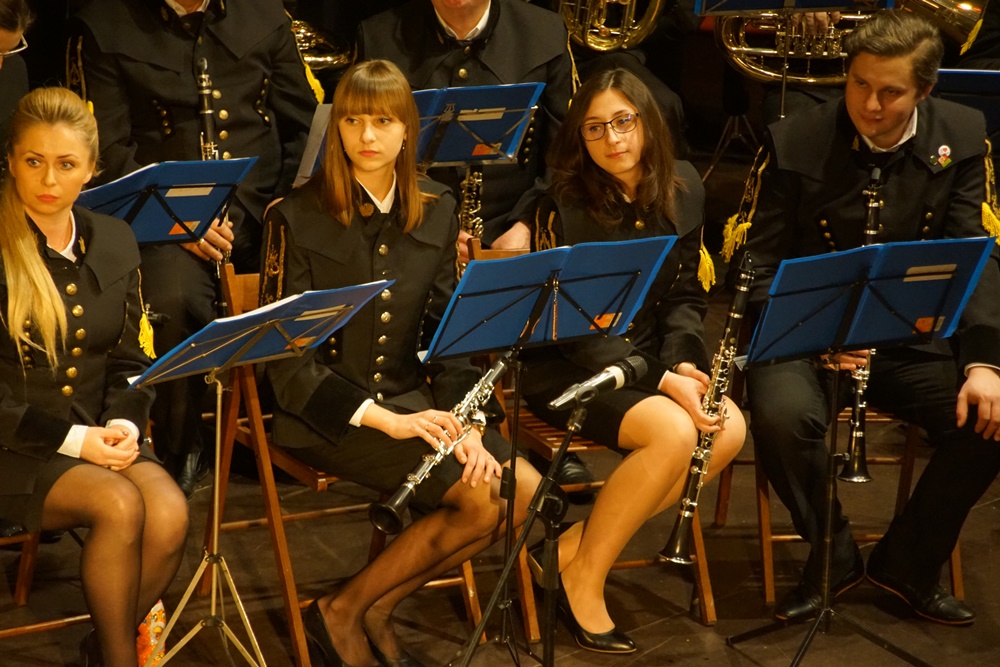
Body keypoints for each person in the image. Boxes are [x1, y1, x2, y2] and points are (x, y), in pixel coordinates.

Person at [260, 59, 542, 667]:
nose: (367, 136)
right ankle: (343, 610)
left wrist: (469, 423)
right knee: (480, 501)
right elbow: (286, 368)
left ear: (408, 129)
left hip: (420, 404)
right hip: (327, 414)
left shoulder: (436, 207)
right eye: (353, 121)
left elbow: (449, 335)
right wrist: (388, 421)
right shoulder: (294, 216)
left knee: (522, 493)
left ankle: (368, 606)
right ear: (335, 128)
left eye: (383, 121)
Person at [723, 9, 1000, 625]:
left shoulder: (960, 134)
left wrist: (984, 362)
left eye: (890, 92)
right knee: (781, 415)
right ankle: (833, 555)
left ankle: (908, 563)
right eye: (859, 84)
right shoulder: (795, 138)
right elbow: (755, 265)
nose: (870, 105)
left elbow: (978, 257)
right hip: (806, 337)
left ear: (924, 90)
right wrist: (818, 334)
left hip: (908, 339)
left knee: (989, 417)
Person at [505, 68, 746, 653]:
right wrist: (664, 382)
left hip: (650, 362)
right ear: (579, 137)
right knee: (673, 434)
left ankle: (570, 550)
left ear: (646, 123)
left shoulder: (683, 186)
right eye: (594, 128)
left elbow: (685, 297)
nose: (612, 139)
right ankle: (585, 579)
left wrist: (684, 366)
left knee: (730, 429)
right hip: (569, 366)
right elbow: (577, 330)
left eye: (622, 122)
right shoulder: (562, 204)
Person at [67, 0, 319, 495]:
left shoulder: (265, 15)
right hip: (161, 220)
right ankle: (183, 444)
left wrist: (285, 204)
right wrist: (182, 222)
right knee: (172, 299)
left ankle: (297, 432)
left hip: (263, 209)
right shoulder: (104, 26)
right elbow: (110, 150)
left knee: (318, 275)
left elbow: (303, 125)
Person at [0, 86, 188, 667]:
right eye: (34, 161)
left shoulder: (114, 238)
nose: (48, 179)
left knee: (170, 513)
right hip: (15, 444)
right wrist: (77, 441)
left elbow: (132, 360)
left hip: (96, 429)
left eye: (66, 164)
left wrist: (125, 423)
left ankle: (102, 647)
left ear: (91, 170)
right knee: (120, 505)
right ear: (11, 161)